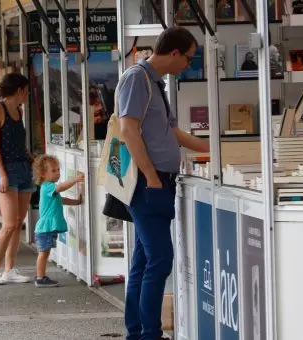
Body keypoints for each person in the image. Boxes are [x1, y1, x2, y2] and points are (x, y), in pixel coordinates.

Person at [118, 26, 209, 340]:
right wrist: (152, 176)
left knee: (144, 261)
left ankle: (138, 331)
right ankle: (149, 334)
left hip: (156, 182)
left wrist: (213, 149)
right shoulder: (136, 79)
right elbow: (128, 130)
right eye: (188, 58)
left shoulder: (155, 83)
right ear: (174, 53)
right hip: (148, 184)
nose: (188, 64)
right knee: (159, 259)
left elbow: (172, 132)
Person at [0, 73, 35, 285]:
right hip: (6, 169)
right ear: (19, 90)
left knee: (16, 223)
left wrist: (31, 159)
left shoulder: (19, 111)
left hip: (23, 167)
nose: (28, 94)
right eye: (26, 90)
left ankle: (9, 268)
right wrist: (2, 175)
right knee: (8, 224)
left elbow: (18, 142)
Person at [31, 155, 83, 287]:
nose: (58, 173)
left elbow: (61, 200)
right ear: (43, 174)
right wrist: (76, 180)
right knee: (43, 253)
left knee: (45, 252)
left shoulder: (50, 188)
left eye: (58, 169)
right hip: (45, 228)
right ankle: (40, 278)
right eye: (53, 171)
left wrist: (77, 202)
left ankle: (40, 275)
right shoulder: (47, 186)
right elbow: (61, 188)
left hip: (46, 228)